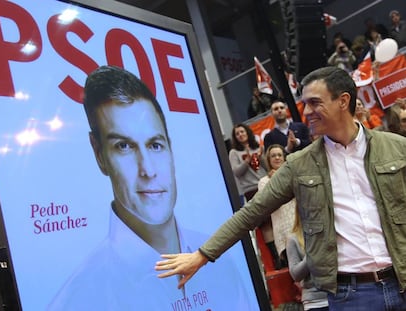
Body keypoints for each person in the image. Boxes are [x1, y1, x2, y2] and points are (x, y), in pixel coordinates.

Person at [155, 66, 406, 311]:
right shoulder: (300, 164)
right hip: (351, 297)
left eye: (315, 102)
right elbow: (251, 213)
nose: (306, 111)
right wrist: (201, 256)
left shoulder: (396, 147)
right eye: (304, 103)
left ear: (343, 101)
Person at [48, 66, 251, 310]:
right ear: (99, 154)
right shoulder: (79, 300)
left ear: (170, 147)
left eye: (155, 145)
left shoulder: (221, 260)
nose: (148, 170)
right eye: (123, 146)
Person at [258, 144, 295, 270]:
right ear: (268, 160)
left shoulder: (293, 173)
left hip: (300, 227)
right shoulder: (264, 182)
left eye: (280, 155)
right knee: (297, 271)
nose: (277, 158)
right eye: (273, 156)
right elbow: (269, 203)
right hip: (283, 232)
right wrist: (276, 180)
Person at [286, 207, 329, 311]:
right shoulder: (293, 239)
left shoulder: (330, 230)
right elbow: (296, 275)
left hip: (341, 295)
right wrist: (311, 253)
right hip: (315, 302)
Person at [229, 123, 267, 201]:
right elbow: (236, 172)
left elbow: (267, 167)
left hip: (265, 185)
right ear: (235, 138)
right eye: (237, 134)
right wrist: (246, 161)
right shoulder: (234, 152)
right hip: (250, 190)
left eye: (242, 131)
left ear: (247, 132)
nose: (240, 135)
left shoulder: (258, 147)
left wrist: (261, 158)